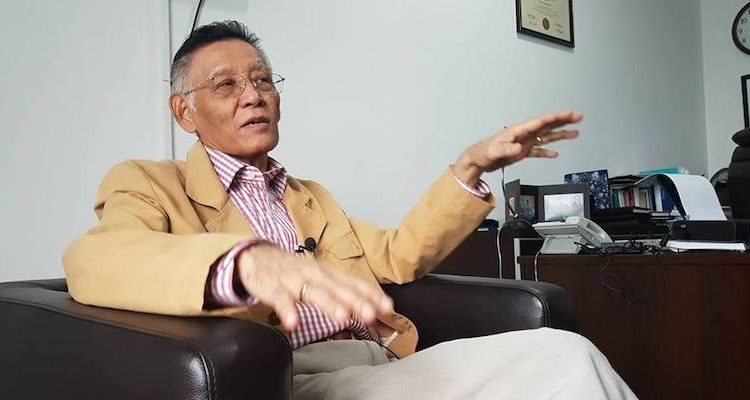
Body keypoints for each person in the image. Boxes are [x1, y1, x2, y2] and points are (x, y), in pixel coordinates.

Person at [64, 20, 636, 399]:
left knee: (568, 351)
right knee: (562, 369)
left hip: (383, 356)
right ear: (184, 112)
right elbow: (98, 258)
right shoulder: (148, 183)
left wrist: (468, 168)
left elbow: (399, 254)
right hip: (297, 376)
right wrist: (243, 262)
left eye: (262, 80)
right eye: (226, 85)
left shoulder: (307, 195)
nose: (253, 95)